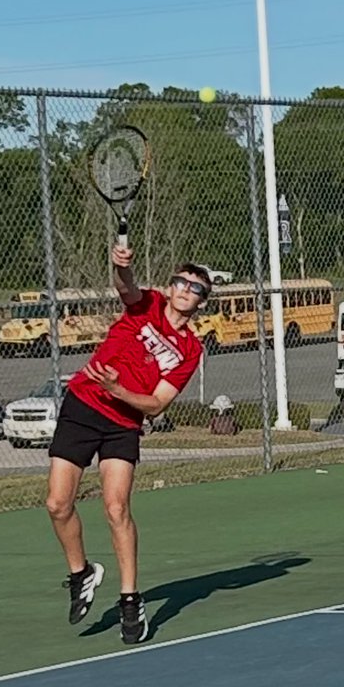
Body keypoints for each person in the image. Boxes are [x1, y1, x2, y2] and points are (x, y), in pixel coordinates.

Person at [46, 246, 212, 644]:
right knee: (57, 504)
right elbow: (126, 285)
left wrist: (119, 391)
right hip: (82, 407)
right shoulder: (147, 305)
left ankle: (130, 599)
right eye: (182, 282)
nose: (186, 290)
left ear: (201, 302)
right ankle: (81, 573)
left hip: (122, 424)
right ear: (170, 288)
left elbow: (156, 404)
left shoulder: (190, 350)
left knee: (117, 508)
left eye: (196, 288)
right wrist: (122, 266)